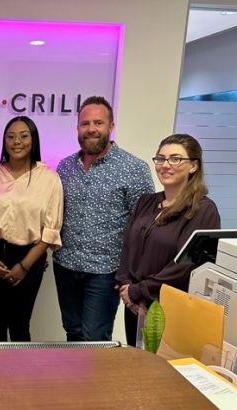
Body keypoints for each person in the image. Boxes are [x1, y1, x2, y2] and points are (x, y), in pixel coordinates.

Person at [53, 96, 154, 341]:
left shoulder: (134, 169)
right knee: (72, 332)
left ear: (111, 126)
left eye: (98, 123)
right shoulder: (65, 167)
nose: (91, 129)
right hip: (65, 266)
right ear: (78, 127)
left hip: (105, 272)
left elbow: (145, 227)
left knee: (95, 338)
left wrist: (133, 276)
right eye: (85, 123)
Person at [116, 134, 220, 346]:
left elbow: (186, 265)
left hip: (168, 308)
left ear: (193, 166)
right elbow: (128, 247)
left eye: (175, 159)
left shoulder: (204, 210)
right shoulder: (146, 202)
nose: (165, 165)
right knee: (136, 361)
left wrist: (140, 291)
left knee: (162, 365)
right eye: (161, 158)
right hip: (134, 306)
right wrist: (126, 288)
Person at [0, 116, 63, 341]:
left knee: (20, 325)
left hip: (29, 257)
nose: (16, 142)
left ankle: (21, 367)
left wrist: (24, 266)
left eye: (23, 136)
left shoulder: (49, 179)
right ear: (4, 141)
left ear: (34, 140)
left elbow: (50, 230)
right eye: (10, 137)